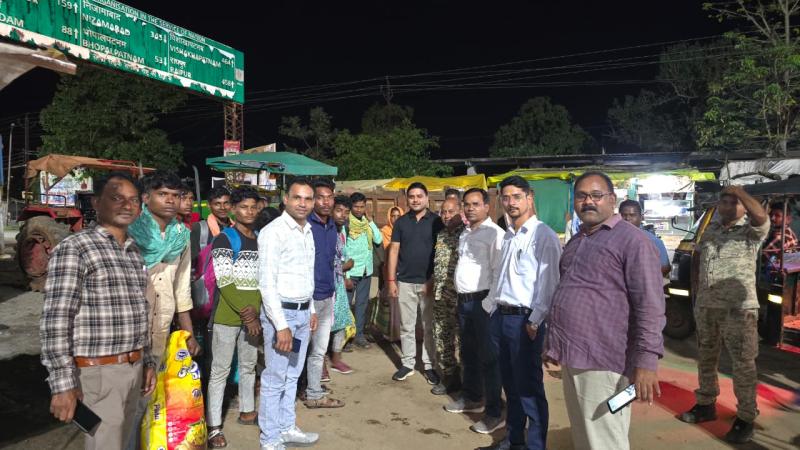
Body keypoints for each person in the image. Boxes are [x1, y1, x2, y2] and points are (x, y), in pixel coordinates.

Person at [544, 171, 664, 450]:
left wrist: (647, 361)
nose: (588, 201)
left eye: (596, 195)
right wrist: (553, 343)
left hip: (605, 361)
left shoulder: (633, 241)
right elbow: (568, 292)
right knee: (584, 435)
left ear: (612, 199)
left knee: (604, 439)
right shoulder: (578, 240)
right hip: (573, 356)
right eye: (581, 196)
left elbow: (650, 304)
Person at [41, 172, 155, 450]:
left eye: (133, 200)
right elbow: (56, 320)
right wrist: (62, 384)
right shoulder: (75, 248)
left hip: (134, 367)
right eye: (117, 198)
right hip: (99, 373)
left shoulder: (133, 252)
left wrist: (148, 362)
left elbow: (139, 311)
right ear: (96, 202)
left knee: (125, 442)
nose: (127, 205)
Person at [679, 185, 769, 444]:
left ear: (743, 206)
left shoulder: (751, 232)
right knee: (705, 358)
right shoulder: (711, 229)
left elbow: (760, 217)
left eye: (734, 202)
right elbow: (699, 260)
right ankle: (706, 404)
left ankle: (745, 418)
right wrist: (697, 294)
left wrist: (738, 190)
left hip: (738, 310)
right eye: (725, 202)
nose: (728, 206)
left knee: (743, 363)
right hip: (707, 306)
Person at [480, 176, 561, 450]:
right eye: (506, 197)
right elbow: (501, 277)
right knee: (510, 385)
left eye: (517, 196)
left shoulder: (543, 235)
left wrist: (535, 320)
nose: (511, 202)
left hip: (524, 321)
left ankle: (535, 445)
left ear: (530, 197)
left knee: (529, 388)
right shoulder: (510, 235)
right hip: (501, 317)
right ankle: (514, 440)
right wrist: (491, 308)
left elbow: (549, 282)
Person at [126, 171, 198, 450]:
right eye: (163, 194)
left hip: (162, 324)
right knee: (122, 400)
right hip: (129, 326)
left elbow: (182, 287)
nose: (170, 200)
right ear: (146, 198)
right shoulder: (130, 230)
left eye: (176, 195)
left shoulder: (181, 235)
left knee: (147, 396)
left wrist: (188, 333)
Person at [258, 177, 320, 450]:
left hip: (303, 313)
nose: (302, 204)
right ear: (285, 199)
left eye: (308, 199)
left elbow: (307, 274)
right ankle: (269, 439)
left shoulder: (308, 231)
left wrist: (312, 309)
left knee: (293, 374)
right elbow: (266, 283)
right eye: (297, 197)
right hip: (281, 315)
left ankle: (286, 427)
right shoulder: (273, 232)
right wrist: (280, 325)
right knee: (275, 378)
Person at [444, 188, 505, 435]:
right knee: (468, 354)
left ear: (487, 206)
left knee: (490, 359)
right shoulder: (466, 232)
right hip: (464, 301)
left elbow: (499, 271)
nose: (470, 208)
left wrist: (488, 304)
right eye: (467, 204)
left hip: (483, 302)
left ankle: (494, 412)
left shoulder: (495, 234)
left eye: (476, 204)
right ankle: (472, 397)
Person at [206, 187, 263, 448]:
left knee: (249, 365)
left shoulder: (260, 239)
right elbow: (225, 281)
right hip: (227, 317)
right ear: (233, 210)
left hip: (253, 316)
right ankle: (214, 426)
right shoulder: (224, 239)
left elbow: (263, 280)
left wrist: (255, 312)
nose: (249, 212)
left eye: (253, 207)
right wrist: (247, 314)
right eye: (243, 207)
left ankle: (247, 410)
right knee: (220, 371)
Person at [386, 182, 443, 383]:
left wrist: (434, 279)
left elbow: (441, 253)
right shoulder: (401, 223)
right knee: (407, 326)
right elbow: (394, 250)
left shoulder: (437, 222)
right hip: (405, 281)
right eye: (412, 196)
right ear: (407, 199)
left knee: (428, 326)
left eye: (419, 196)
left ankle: (429, 365)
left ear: (427, 198)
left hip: (428, 282)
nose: (416, 200)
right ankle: (408, 363)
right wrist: (391, 280)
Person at [304, 179, 345, 409]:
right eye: (320, 197)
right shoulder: (305, 226)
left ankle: (314, 393)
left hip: (327, 297)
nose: (325, 202)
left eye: (329, 197)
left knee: (319, 350)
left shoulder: (332, 227)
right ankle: (296, 391)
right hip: (307, 299)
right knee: (299, 350)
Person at [430, 197, 464, 395]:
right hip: (441, 296)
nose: (446, 216)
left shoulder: (467, 235)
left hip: (460, 299)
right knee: (442, 337)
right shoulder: (441, 235)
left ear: (460, 211)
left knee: (464, 341)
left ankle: (469, 382)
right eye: (443, 212)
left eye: (451, 211)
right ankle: (450, 377)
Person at [344, 192, 383, 349]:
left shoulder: (367, 223)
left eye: (362, 206)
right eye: (356, 207)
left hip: (366, 271)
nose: (359, 210)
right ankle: (345, 338)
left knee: (362, 305)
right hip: (351, 272)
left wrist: (371, 221)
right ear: (351, 207)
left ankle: (359, 335)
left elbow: (378, 239)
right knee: (346, 306)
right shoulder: (346, 224)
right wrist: (346, 275)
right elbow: (343, 251)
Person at [330, 195, 356, 374]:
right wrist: (345, 266)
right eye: (339, 210)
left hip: (339, 284)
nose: (343, 215)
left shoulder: (341, 232)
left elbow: (342, 256)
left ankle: (336, 359)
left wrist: (345, 274)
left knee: (341, 322)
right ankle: (320, 365)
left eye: (346, 212)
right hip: (326, 286)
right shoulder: (326, 232)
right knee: (324, 325)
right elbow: (325, 262)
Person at [619, 199, 671, 275]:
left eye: (632, 215)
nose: (627, 219)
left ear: (641, 217)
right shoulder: (612, 238)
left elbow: (665, 267)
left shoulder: (652, 240)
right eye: (623, 215)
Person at [190, 186, 232, 262]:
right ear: (209, 206)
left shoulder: (236, 227)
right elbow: (193, 260)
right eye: (217, 204)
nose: (222, 207)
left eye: (226, 203)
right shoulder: (199, 228)